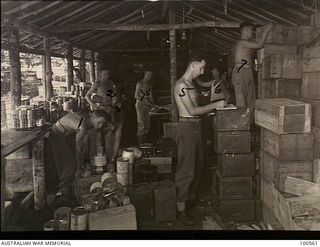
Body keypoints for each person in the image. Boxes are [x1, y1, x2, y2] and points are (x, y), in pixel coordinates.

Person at [174, 54, 226, 226]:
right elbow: (192, 110)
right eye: (201, 67)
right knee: (187, 169)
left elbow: (197, 110)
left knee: (198, 165)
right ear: (193, 65)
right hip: (187, 127)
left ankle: (190, 201)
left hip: (195, 127)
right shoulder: (182, 85)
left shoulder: (191, 84)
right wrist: (215, 105)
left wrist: (210, 109)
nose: (203, 71)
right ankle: (181, 210)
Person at [48, 110, 108, 204]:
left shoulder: (87, 119)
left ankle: (69, 190)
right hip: (57, 134)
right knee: (69, 165)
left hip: (65, 134)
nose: (100, 126)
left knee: (71, 164)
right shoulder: (83, 125)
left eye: (102, 124)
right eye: (99, 122)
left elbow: (84, 142)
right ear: (93, 117)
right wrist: (79, 168)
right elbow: (78, 149)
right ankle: (64, 196)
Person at [232, 22, 274, 122]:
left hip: (247, 71)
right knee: (242, 102)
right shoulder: (241, 42)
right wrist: (267, 29)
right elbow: (260, 44)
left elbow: (258, 42)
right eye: (251, 30)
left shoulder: (247, 43)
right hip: (240, 71)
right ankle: (241, 126)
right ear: (245, 30)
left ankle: (248, 125)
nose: (252, 32)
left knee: (251, 101)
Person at [85, 68, 123, 164]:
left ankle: (110, 161)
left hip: (110, 110)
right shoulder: (97, 84)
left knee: (109, 135)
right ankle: (95, 162)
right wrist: (92, 104)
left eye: (108, 74)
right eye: (104, 74)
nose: (106, 76)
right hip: (100, 111)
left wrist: (115, 100)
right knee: (97, 136)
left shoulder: (110, 83)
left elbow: (112, 95)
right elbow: (87, 96)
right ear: (100, 74)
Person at [135, 70, 154, 144]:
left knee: (147, 125)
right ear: (145, 74)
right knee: (141, 124)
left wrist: (153, 104)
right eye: (148, 75)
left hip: (147, 106)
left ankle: (144, 144)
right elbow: (136, 95)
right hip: (140, 105)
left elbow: (151, 96)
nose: (149, 77)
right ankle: (140, 144)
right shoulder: (139, 84)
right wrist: (145, 98)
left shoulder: (149, 85)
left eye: (151, 75)